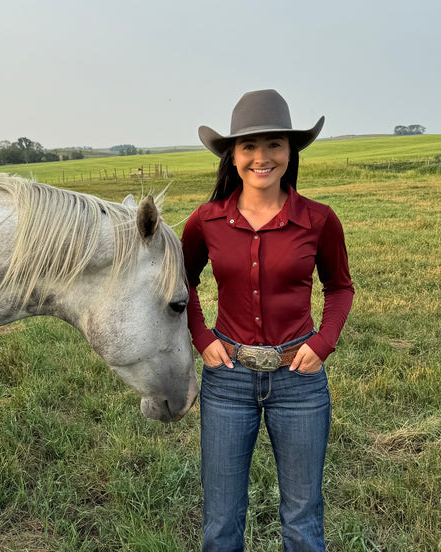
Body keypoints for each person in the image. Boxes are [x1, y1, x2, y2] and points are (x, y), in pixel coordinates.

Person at [181, 89, 354, 551]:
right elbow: (182, 283)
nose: (263, 157)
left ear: (290, 151)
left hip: (299, 380)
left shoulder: (319, 220)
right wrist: (202, 338)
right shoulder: (206, 221)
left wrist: (323, 343)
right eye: (249, 146)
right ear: (233, 156)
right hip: (227, 378)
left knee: (302, 517)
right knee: (220, 520)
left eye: (274, 144)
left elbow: (340, 287)